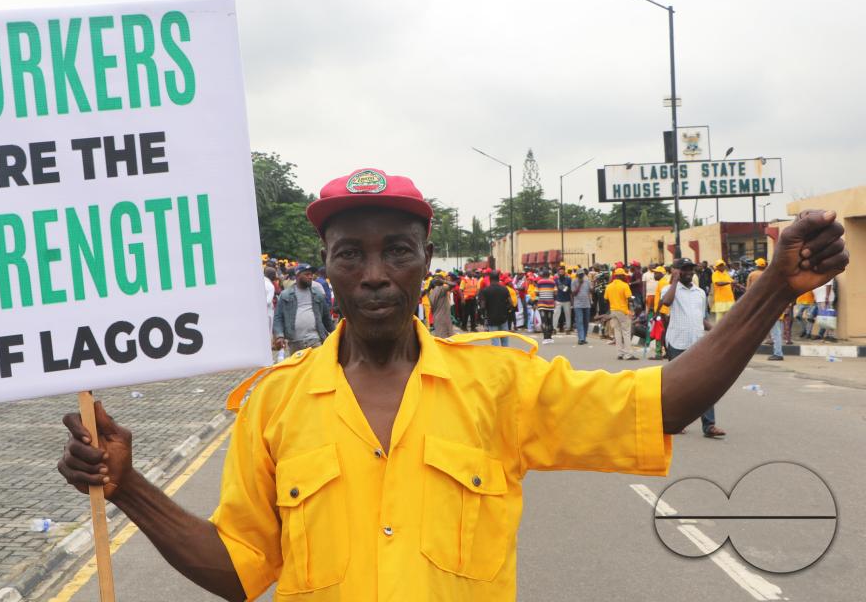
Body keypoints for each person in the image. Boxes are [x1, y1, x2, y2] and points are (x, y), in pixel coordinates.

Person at [57, 167, 849, 602]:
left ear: (426, 261)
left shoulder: (500, 385)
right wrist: (129, 488)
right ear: (325, 267)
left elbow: (662, 402)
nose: (375, 274)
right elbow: (239, 570)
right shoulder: (275, 403)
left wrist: (773, 289)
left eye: (397, 250)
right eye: (351, 254)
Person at [660, 258, 725, 438]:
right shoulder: (670, 289)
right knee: (678, 386)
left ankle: (709, 425)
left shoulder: (700, 293)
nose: (689, 273)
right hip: (677, 342)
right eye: (684, 269)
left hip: (697, 343)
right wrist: (674, 281)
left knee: (706, 384)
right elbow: (666, 302)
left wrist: (717, 331)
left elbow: (700, 318)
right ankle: (675, 422)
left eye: (691, 270)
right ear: (677, 271)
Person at [272, 264, 335, 356]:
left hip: (315, 339)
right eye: (307, 274)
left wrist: (335, 333)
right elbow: (278, 317)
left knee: (315, 368)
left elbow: (326, 318)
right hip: (295, 341)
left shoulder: (318, 294)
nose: (310, 277)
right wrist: (279, 336)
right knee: (299, 369)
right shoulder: (285, 295)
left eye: (311, 274)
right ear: (297, 275)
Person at [604, 268, 636, 359]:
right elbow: (629, 299)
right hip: (623, 311)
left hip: (613, 310)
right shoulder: (625, 285)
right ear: (621, 276)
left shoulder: (609, 286)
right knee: (626, 332)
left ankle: (620, 353)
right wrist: (632, 308)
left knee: (617, 332)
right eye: (624, 275)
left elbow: (606, 299)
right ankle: (628, 354)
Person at [478, 271, 515, 345]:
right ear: (498, 279)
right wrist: (507, 310)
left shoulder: (485, 291)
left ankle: (497, 356)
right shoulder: (504, 289)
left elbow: (482, 306)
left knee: (495, 343)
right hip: (503, 318)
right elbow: (511, 303)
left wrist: (483, 316)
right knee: (505, 343)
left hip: (492, 319)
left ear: (490, 279)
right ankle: (505, 355)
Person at [535, 268, 557, 342]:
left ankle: (545, 338)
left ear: (542, 275)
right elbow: (555, 292)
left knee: (544, 321)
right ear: (549, 275)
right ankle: (550, 337)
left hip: (541, 304)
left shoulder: (539, 282)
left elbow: (536, 293)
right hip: (550, 304)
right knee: (549, 320)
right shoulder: (552, 282)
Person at [571, 267, 592, 344]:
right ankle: (581, 338)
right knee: (579, 321)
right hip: (578, 305)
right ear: (577, 275)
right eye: (580, 275)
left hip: (587, 304)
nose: (581, 276)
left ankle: (584, 337)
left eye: (582, 274)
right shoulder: (574, 281)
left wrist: (593, 284)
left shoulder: (587, 281)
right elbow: (573, 293)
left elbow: (591, 290)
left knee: (586, 321)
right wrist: (579, 284)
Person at [711, 259, 736, 323]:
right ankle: (718, 331)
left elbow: (732, 282)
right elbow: (718, 283)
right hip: (720, 299)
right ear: (717, 267)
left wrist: (742, 287)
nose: (722, 266)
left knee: (730, 316)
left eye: (723, 265)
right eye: (720, 265)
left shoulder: (726, 273)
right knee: (719, 318)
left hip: (729, 299)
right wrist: (729, 282)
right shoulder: (715, 274)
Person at [552, 265, 573, 333]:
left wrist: (565, 288)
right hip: (558, 299)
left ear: (564, 272)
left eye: (562, 271)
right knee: (556, 314)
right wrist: (554, 299)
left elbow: (571, 290)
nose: (561, 272)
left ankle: (568, 329)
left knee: (568, 315)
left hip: (567, 300)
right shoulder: (555, 280)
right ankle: (554, 328)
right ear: (558, 272)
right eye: (560, 271)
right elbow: (554, 290)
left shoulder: (569, 279)